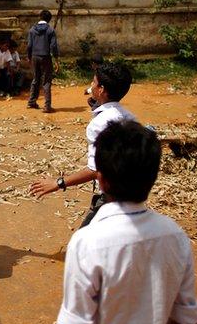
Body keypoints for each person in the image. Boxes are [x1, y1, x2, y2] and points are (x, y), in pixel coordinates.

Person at [45, 120, 197, 324]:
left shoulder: (89, 241)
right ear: (153, 177)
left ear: (102, 180)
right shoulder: (175, 235)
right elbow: (187, 318)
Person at [29, 62, 136, 228]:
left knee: (83, 243)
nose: (91, 86)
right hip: (133, 194)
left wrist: (58, 183)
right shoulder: (130, 117)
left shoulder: (99, 123)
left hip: (111, 198)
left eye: (93, 82)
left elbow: (95, 170)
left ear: (101, 89)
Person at [27, 10, 59, 112]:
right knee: (46, 81)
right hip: (45, 57)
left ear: (40, 17)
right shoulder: (50, 30)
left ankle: (32, 101)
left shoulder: (32, 30)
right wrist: (56, 59)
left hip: (35, 56)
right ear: (49, 19)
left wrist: (29, 57)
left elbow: (29, 46)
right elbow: (53, 46)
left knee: (36, 78)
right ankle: (47, 105)